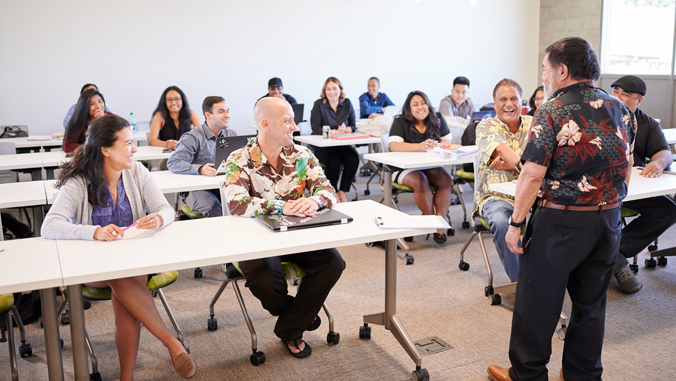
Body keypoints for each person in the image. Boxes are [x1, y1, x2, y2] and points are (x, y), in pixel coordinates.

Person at [488, 37, 636, 381]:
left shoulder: (553, 109)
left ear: (562, 71)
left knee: (537, 303)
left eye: (545, 68)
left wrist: (516, 222)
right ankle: (581, 374)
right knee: (591, 304)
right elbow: (626, 164)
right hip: (607, 219)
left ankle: (527, 374)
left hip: (561, 221)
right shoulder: (620, 107)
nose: (544, 75)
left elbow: (532, 174)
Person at [41, 115, 196, 380]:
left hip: (131, 260)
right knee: (120, 277)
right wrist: (95, 232)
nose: (134, 149)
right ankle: (172, 344)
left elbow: (164, 209)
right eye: (128, 143)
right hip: (94, 265)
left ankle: (128, 377)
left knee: (124, 294)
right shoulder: (80, 181)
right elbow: (50, 226)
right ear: (106, 150)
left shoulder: (136, 172)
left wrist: (158, 219)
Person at [224, 97, 345, 358]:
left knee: (334, 263)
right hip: (259, 240)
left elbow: (328, 190)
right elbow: (235, 203)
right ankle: (297, 319)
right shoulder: (239, 159)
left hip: (298, 236)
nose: (295, 126)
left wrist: (313, 199)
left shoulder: (302, 155)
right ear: (265, 124)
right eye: (288, 120)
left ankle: (290, 326)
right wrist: (282, 207)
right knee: (263, 274)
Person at [609, 75, 676, 294]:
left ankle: (613, 255)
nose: (617, 97)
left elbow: (665, 152)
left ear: (640, 100)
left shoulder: (646, 122)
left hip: (635, 187)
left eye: (625, 94)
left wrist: (657, 163)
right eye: (615, 91)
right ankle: (616, 263)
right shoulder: (600, 116)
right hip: (604, 185)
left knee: (667, 211)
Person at [475, 79, 532, 283]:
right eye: (503, 99)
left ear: (521, 101)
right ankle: (521, 285)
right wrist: (525, 165)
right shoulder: (486, 125)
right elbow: (500, 149)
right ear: (494, 102)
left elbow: (546, 159)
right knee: (501, 222)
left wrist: (513, 163)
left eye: (513, 98)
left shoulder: (533, 124)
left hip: (531, 195)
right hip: (496, 197)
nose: (509, 104)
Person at [388, 90, 453, 244]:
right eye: (415, 104)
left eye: (423, 103)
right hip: (401, 167)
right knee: (420, 180)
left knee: (446, 180)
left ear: (428, 105)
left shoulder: (436, 117)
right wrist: (419, 146)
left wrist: (437, 145)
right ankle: (433, 223)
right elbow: (394, 145)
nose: (420, 107)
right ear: (409, 108)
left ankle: (439, 227)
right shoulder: (400, 121)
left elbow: (447, 141)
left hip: (428, 164)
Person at [166, 96, 236, 217]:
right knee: (213, 206)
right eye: (221, 111)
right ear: (208, 115)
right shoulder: (192, 137)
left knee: (244, 201)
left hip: (224, 184)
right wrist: (200, 169)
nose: (227, 115)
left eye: (227, 111)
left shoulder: (231, 134)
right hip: (197, 189)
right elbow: (173, 162)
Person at [309, 77, 360, 203]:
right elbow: (315, 129)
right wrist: (332, 132)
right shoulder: (319, 104)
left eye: (334, 88)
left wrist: (347, 129)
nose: (332, 92)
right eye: (328, 89)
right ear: (324, 91)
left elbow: (353, 126)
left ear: (340, 90)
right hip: (324, 146)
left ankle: (342, 191)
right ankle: (334, 192)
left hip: (341, 144)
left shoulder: (347, 103)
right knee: (333, 161)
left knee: (354, 158)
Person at [63, 88, 114, 154]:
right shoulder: (79, 121)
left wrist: (103, 120)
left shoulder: (111, 117)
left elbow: (119, 137)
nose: (98, 106)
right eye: (92, 104)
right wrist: (90, 149)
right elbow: (68, 146)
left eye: (100, 101)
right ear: (85, 107)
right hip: (88, 158)